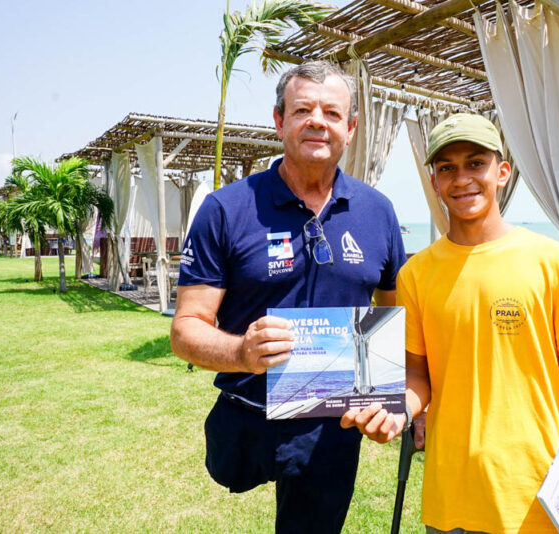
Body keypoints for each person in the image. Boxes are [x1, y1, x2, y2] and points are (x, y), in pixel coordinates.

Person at [342, 114, 559, 533]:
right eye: (447, 168)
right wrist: (396, 411)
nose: (462, 179)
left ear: (502, 172)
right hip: (451, 497)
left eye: (476, 163)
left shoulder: (554, 263)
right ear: (434, 182)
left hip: (540, 500)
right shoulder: (415, 275)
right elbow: (419, 376)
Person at [170, 60, 407, 533]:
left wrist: (389, 393)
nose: (318, 120)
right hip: (247, 412)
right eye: (303, 110)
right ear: (279, 122)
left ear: (351, 128)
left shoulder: (378, 212)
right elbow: (185, 330)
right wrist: (240, 350)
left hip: (331, 425)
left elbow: (395, 309)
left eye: (332, 113)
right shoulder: (226, 208)